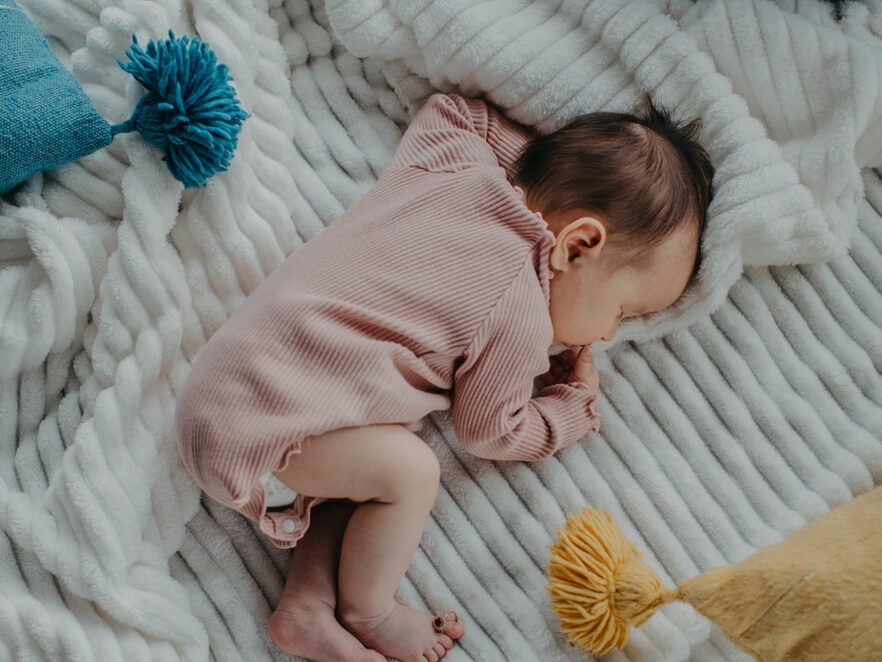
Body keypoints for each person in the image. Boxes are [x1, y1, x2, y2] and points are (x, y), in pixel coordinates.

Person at [173, 92, 714, 662]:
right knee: (410, 470)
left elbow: (453, 109)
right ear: (578, 246)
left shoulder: (456, 164)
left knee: (378, 454)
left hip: (223, 387)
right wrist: (568, 404)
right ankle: (370, 610)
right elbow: (490, 430)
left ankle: (307, 607)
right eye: (623, 311)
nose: (607, 334)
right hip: (270, 434)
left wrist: (544, 172)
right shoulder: (519, 309)